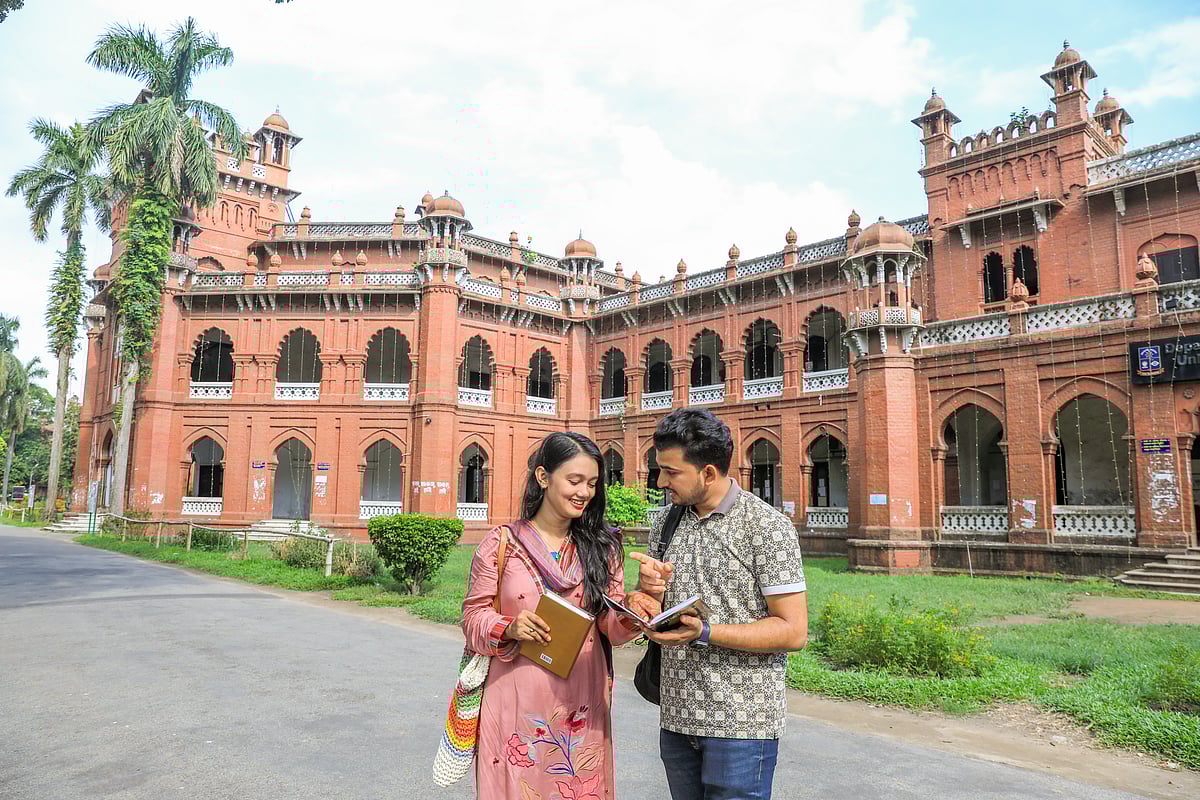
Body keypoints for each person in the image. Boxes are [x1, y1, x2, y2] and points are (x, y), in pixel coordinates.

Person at [461, 431, 650, 800]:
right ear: (543, 477)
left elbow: (610, 626)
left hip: (581, 701)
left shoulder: (602, 548)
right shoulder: (502, 544)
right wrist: (508, 627)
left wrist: (636, 607)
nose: (584, 492)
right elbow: (473, 618)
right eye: (574, 480)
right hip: (515, 701)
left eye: (592, 483)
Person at [632, 408, 808, 800]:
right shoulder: (667, 522)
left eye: (671, 472)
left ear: (708, 472)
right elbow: (654, 607)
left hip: (741, 723)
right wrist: (647, 592)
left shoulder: (766, 527)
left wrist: (705, 632)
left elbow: (793, 631)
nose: (660, 482)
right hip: (677, 717)